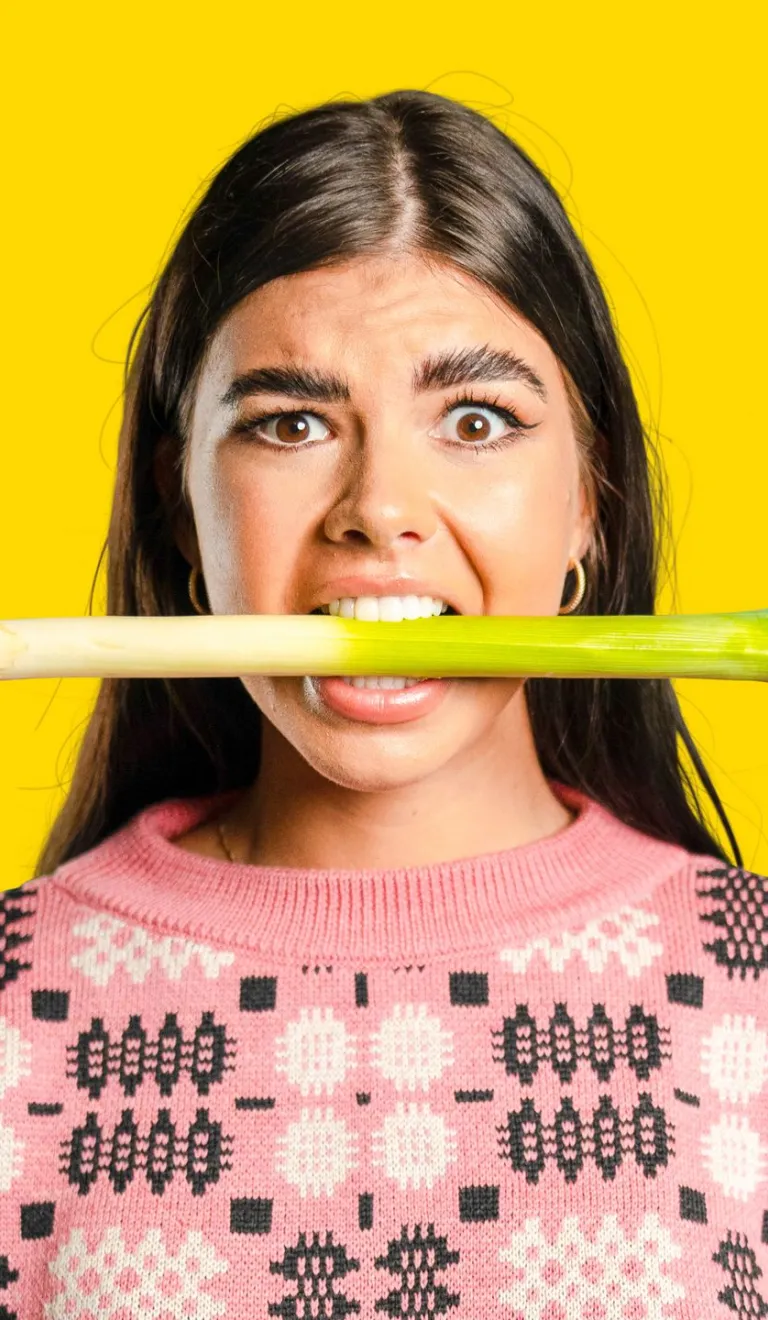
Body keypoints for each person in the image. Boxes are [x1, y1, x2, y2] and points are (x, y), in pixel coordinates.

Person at [2, 90, 765, 1318]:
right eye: (291, 423)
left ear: (589, 503)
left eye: (476, 420)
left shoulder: (751, 987)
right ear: (181, 507)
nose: (380, 508)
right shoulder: (18, 998)